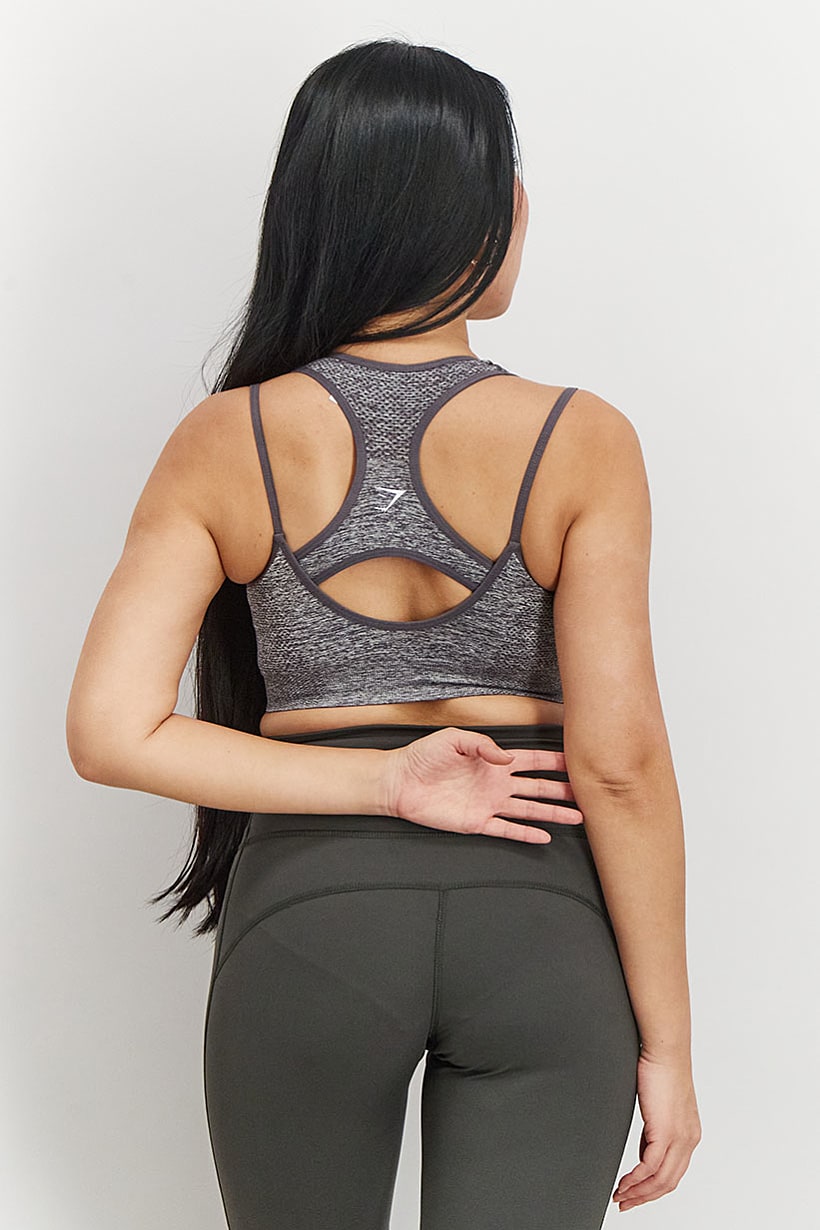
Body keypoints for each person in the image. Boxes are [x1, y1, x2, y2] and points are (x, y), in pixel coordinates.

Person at [65, 36, 701, 1230]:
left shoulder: (226, 439)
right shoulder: (582, 438)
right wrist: (666, 1042)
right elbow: (620, 763)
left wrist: (382, 784)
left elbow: (110, 732)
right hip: (541, 918)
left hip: (311, 920)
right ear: (479, 210)